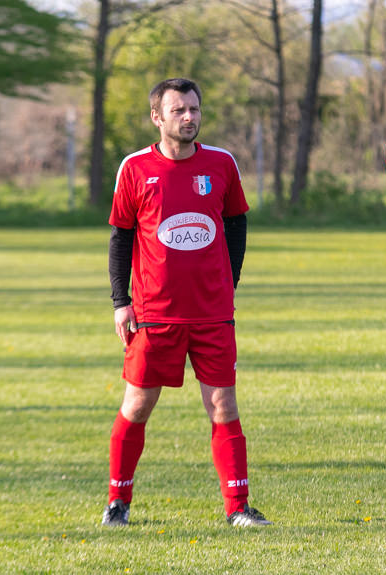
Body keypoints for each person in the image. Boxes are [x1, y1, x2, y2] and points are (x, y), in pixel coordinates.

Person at [102, 78, 271, 527]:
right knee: (137, 406)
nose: (189, 117)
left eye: (194, 109)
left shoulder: (221, 164)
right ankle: (117, 502)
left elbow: (236, 223)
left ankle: (238, 508)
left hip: (214, 314)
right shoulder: (135, 168)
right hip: (155, 314)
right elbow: (120, 238)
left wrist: (227, 280)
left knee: (224, 407)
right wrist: (122, 302)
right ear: (157, 117)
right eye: (179, 111)